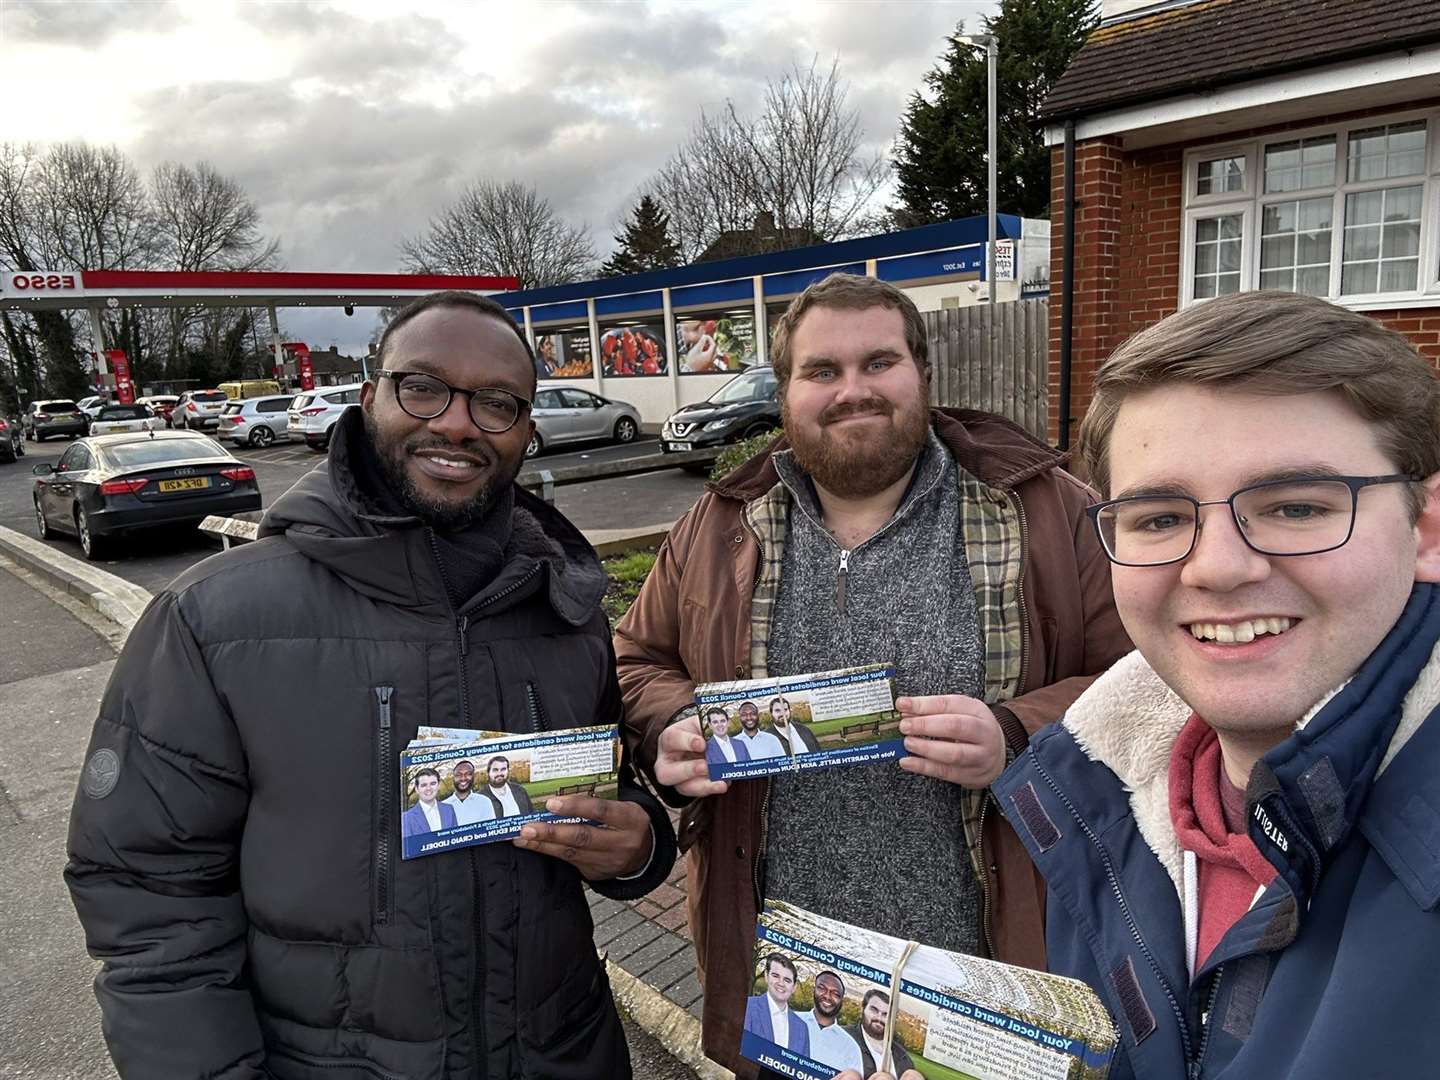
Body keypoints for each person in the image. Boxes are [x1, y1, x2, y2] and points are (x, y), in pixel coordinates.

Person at [65, 289, 677, 1079]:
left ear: (527, 430)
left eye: (497, 403)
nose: (457, 423)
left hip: (566, 1051)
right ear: (368, 397)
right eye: (423, 387)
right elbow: (149, 901)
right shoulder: (214, 618)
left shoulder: (566, 607)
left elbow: (615, 795)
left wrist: (637, 849)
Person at [615, 271, 1130, 1078]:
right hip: (787, 976)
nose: (852, 390)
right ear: (785, 393)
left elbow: (1146, 678)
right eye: (822, 371)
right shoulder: (718, 526)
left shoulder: (1043, 510)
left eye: (878, 363)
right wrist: (674, 722)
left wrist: (1018, 734)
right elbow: (637, 659)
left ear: (921, 373)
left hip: (990, 968)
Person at [993, 291, 1440, 1079]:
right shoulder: (1094, 796)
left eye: (1296, 506)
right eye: (1160, 519)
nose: (1219, 568)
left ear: (1426, 528)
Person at [742, 954, 811, 1057]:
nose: (781, 983)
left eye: (787, 980)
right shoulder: (747, 1007)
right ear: (766, 976)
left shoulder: (802, 1028)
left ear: (794, 987)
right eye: (775, 976)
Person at [796, 970, 864, 1073]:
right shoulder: (789, 1020)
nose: (827, 996)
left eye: (835, 994)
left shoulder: (850, 1048)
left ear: (842, 1001)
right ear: (813, 990)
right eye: (822, 988)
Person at [842, 990, 919, 1079]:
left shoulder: (902, 1056)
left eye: (885, 1014)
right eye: (874, 1010)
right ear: (862, 1009)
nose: (879, 1018)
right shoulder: (842, 1037)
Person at [402, 767, 459, 836]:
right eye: (424, 785)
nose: (429, 788)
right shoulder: (406, 818)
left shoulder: (449, 809)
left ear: (438, 786)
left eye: (433, 783)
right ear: (417, 789)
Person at [443, 759, 496, 825]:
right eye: (458, 775)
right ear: (453, 777)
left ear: (474, 776)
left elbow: (490, 830)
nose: (463, 778)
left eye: (468, 774)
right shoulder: (443, 807)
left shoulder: (485, 802)